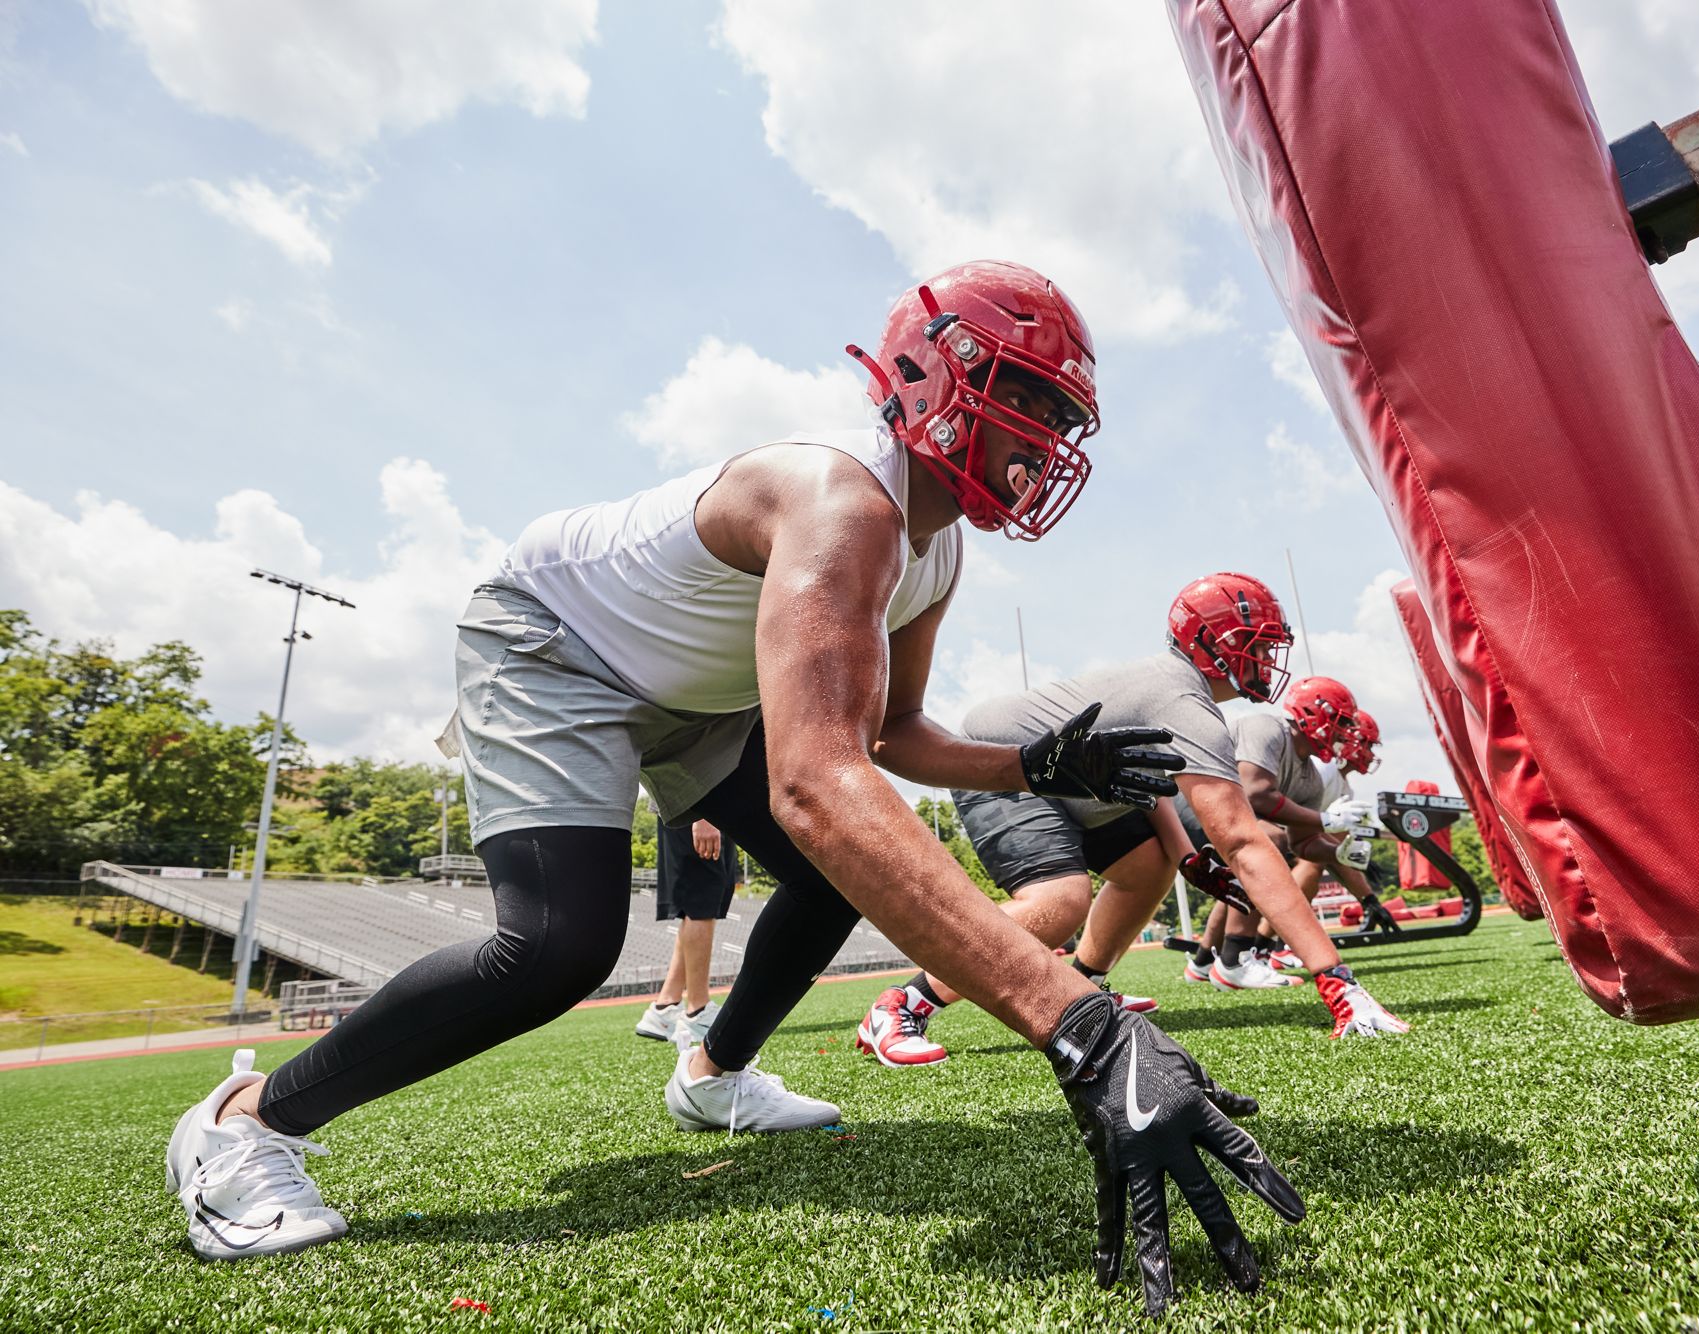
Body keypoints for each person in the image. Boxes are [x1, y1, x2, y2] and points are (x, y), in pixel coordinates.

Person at [162, 261, 1300, 1314]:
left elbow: (894, 731)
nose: (1047, 440)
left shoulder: (935, 549)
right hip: (559, 645)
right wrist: (1078, 1022)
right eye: (1030, 401)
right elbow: (820, 778)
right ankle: (245, 1120)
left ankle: (712, 1073)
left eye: (1062, 418)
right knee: (557, 942)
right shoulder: (841, 497)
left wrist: (1029, 766)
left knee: (825, 880)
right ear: (936, 380)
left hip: (699, 695)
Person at [859, 575, 1405, 1065]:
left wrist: (1188, 857)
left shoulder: (1176, 691)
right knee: (1060, 899)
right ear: (1220, 644)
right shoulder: (1183, 698)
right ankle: (903, 1002)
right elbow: (1242, 842)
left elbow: (1146, 779)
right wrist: (1336, 981)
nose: (1268, 657)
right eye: (1259, 644)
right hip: (1002, 758)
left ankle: (1084, 986)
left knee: (1149, 867)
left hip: (1072, 779)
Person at [1184, 683, 1384, 981]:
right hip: (1186, 805)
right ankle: (1236, 959)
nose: (1344, 734)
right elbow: (1256, 795)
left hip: (1222, 820)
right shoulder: (1267, 727)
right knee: (1266, 841)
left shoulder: (1312, 778)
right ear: (1311, 714)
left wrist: (1337, 852)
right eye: (1340, 723)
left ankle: (1205, 963)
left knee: (1261, 851)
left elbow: (1302, 842)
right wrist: (1327, 820)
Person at [635, 816, 737, 1049]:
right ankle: (697, 1010)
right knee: (701, 898)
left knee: (705, 896)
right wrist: (701, 816)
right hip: (696, 807)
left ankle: (665, 1007)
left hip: (703, 807)